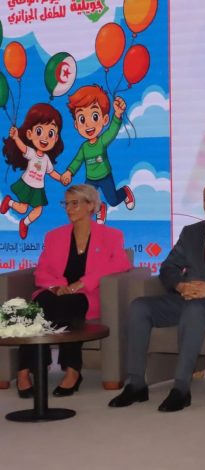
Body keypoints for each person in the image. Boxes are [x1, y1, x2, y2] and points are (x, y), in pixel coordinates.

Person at [108, 180, 205, 412]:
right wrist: (180, 286)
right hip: (184, 298)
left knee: (195, 310)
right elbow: (168, 267)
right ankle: (136, 383)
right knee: (139, 306)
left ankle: (181, 388)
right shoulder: (191, 232)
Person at [15, 184, 131, 397]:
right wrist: (56, 287)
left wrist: (82, 283)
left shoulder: (111, 235)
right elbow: (41, 271)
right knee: (40, 305)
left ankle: (71, 370)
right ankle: (26, 370)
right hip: (54, 292)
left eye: (74, 203)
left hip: (86, 295)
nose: (68, 209)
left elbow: (121, 264)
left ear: (91, 205)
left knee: (68, 305)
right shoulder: (54, 236)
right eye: (66, 204)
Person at [60, 85, 134, 224]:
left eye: (94, 116)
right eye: (82, 119)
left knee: (113, 200)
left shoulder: (101, 141)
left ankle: (125, 192)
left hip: (105, 176)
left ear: (104, 120)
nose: (88, 124)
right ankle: (100, 208)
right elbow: (77, 161)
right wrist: (69, 172)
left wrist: (117, 115)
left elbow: (111, 132)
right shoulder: (84, 147)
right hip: (91, 179)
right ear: (76, 125)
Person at [1, 103, 66, 239]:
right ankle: (9, 202)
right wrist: (16, 137)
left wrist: (61, 178)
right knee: (23, 208)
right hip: (27, 184)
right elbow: (23, 148)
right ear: (30, 134)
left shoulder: (46, 159)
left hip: (38, 189)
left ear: (55, 138)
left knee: (38, 210)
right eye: (39, 131)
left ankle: (24, 223)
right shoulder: (32, 153)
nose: (45, 138)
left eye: (50, 133)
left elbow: (51, 172)